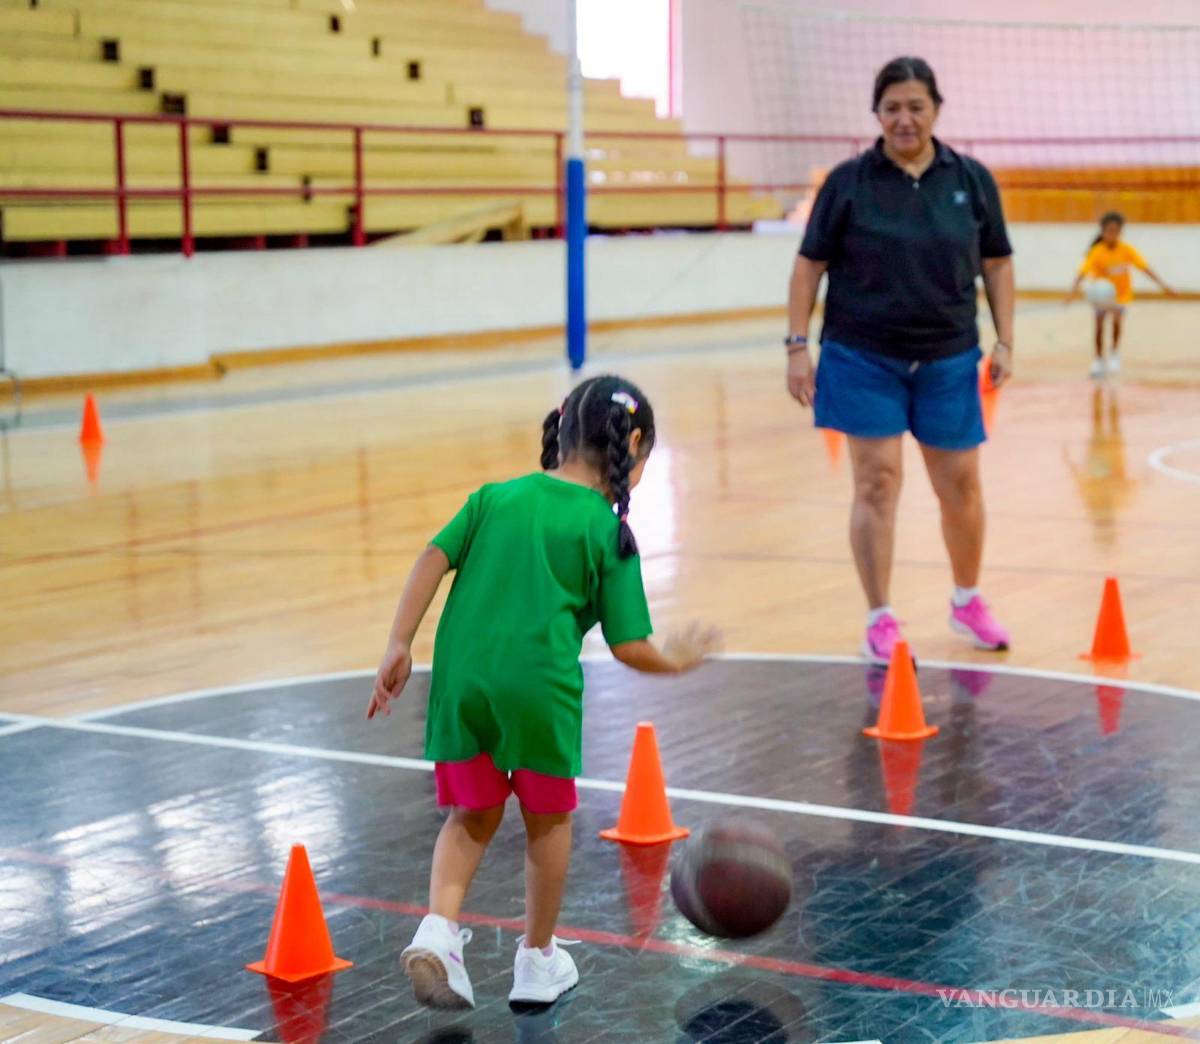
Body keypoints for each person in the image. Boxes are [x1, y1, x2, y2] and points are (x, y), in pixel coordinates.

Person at [367, 374, 720, 1010]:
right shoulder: (606, 531)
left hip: (460, 680)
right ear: (633, 445)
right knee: (548, 820)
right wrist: (676, 661)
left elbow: (431, 558)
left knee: (470, 814)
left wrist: (399, 642)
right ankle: (536, 959)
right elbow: (629, 645)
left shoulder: (495, 497)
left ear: (563, 428)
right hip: (538, 689)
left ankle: (439, 931)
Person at [784, 56, 1015, 664]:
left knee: (960, 485)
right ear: (876, 114)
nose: (904, 119)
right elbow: (809, 265)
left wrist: (1006, 340)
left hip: (948, 357)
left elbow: (996, 262)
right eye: (892, 108)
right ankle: (880, 617)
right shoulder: (847, 182)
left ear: (936, 109)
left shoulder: (971, 179)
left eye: (916, 106)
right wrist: (797, 346)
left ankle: (967, 599)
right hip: (862, 357)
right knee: (877, 482)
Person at [1065, 211, 1174, 378]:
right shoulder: (1097, 251)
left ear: (1120, 232)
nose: (1112, 234)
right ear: (1103, 232)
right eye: (1108, 231)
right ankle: (1098, 360)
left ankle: (1114, 353)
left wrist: (1164, 286)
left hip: (1121, 295)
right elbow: (1082, 272)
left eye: (1115, 231)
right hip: (1101, 295)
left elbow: (1145, 269)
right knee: (1099, 326)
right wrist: (1072, 292)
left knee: (1116, 322)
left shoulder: (1127, 250)